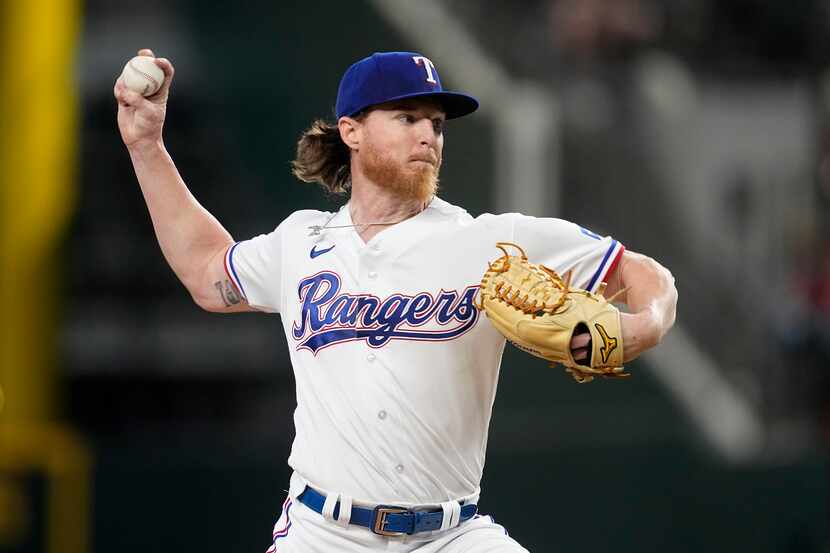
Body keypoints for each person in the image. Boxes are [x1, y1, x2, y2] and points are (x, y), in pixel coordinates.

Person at [114, 48, 677, 553]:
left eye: (436, 124)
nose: (428, 135)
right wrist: (146, 146)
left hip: (451, 535)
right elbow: (206, 269)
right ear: (351, 131)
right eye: (407, 118)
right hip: (322, 533)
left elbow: (641, 273)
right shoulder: (302, 243)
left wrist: (644, 326)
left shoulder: (489, 242)